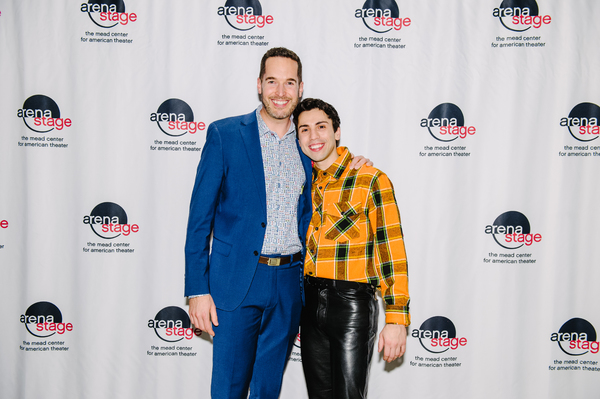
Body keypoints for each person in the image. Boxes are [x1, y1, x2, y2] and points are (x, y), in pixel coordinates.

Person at [184, 48, 368, 399]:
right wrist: (197, 289)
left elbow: (333, 166)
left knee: (268, 390)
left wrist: (355, 163)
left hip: (288, 284)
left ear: (300, 88)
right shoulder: (225, 135)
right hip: (235, 282)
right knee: (228, 389)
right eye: (272, 81)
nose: (280, 92)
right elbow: (198, 220)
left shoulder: (306, 143)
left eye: (289, 83)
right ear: (259, 85)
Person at [293, 98, 410, 399]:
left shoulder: (371, 179)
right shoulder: (303, 181)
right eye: (304, 129)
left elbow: (391, 249)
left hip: (351, 305)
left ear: (337, 131)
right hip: (309, 303)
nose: (313, 136)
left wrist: (396, 318)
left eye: (321, 127)